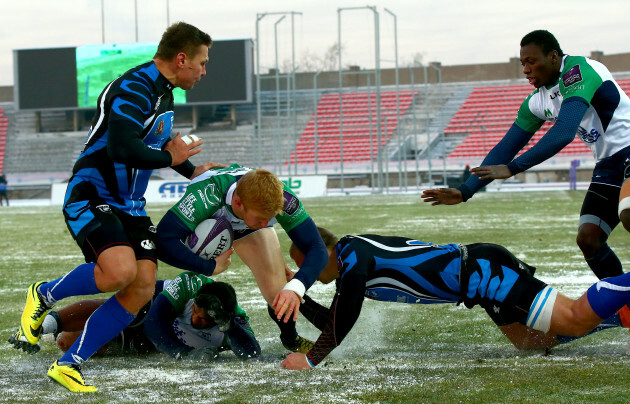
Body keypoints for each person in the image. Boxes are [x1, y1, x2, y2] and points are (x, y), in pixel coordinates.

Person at [8, 22, 220, 393]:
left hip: (131, 206)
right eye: (202, 63)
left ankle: (68, 363)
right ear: (181, 58)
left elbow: (156, 143)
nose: (205, 72)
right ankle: (42, 294)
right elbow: (123, 147)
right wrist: (170, 155)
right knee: (118, 271)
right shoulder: (134, 86)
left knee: (140, 289)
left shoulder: (164, 94)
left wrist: (190, 170)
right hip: (93, 193)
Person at [421, 30, 630, 284]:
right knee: (589, 240)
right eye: (522, 64)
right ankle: (625, 306)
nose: (525, 70)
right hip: (608, 166)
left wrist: (513, 168)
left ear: (553, 57)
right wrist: (465, 190)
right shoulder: (537, 100)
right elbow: (507, 146)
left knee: (629, 213)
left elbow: (563, 132)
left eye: (531, 61)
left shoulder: (578, 71)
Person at [281, 227, 630, 370]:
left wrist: (310, 360)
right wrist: (298, 299)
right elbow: (335, 319)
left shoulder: (352, 256)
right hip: (476, 285)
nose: (306, 276)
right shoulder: (348, 264)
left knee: (571, 316)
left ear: (322, 251)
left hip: (485, 272)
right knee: (530, 343)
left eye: (306, 267)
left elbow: (344, 321)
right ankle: (620, 315)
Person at [156, 163, 329, 354]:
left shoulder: (283, 197)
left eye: (270, 218)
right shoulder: (205, 196)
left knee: (278, 294)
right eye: (262, 218)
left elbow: (317, 248)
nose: (266, 223)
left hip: (246, 225)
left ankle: (291, 338)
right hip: (209, 218)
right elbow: (164, 240)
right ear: (238, 202)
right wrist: (208, 267)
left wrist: (296, 287)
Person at [40, 273, 260, 361]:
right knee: (122, 307)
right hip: (154, 311)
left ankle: (56, 334)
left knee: (66, 342)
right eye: (194, 312)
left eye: (203, 320)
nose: (195, 319)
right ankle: (47, 323)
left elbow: (252, 353)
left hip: (153, 341)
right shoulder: (192, 285)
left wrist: (228, 326)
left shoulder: (234, 321)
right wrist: (182, 354)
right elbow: (155, 322)